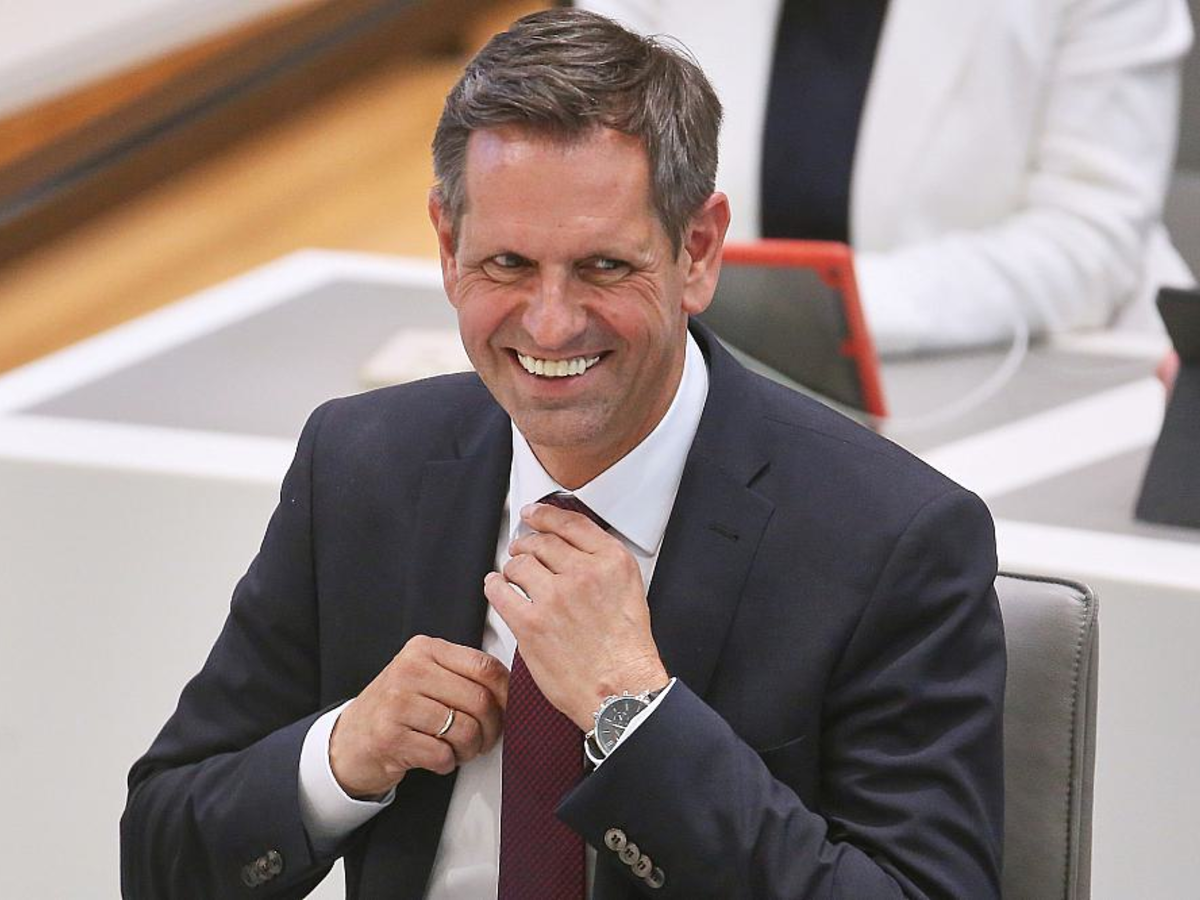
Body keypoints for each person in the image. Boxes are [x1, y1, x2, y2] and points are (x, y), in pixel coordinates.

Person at [121, 10, 1005, 898]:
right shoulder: (360, 467)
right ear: (447, 246)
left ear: (698, 251)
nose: (550, 326)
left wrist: (637, 716)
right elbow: (161, 857)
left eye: (604, 267)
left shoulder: (890, 539)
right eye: (507, 264)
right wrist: (341, 757)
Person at [577, 0, 1196, 355]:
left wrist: (818, 311)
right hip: (710, 370)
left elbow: (1090, 238)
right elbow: (589, 174)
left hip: (1044, 379)